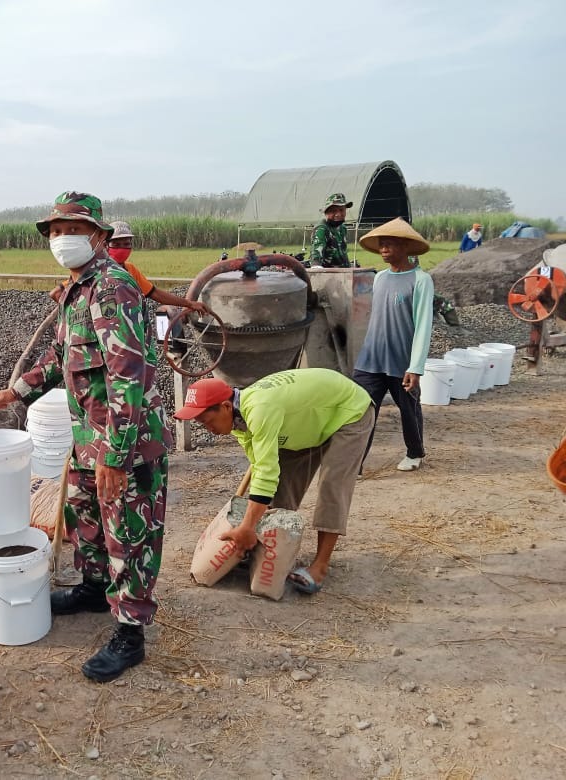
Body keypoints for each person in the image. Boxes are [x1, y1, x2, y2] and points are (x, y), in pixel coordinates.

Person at [0, 191, 171, 683]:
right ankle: (94, 589)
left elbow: (128, 375)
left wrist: (116, 455)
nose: (62, 239)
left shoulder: (112, 289)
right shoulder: (77, 290)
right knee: (85, 518)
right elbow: (60, 356)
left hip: (125, 441)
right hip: (89, 436)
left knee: (128, 532)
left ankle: (130, 631)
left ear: (98, 237)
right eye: (56, 231)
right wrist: (17, 390)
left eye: (74, 230)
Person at [173, 369, 374, 594]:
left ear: (226, 406)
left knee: (332, 487)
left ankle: (320, 567)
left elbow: (265, 473)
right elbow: (261, 468)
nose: (209, 429)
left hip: (349, 411)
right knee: (281, 485)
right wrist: (247, 525)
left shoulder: (259, 409)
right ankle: (269, 550)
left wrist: (247, 526)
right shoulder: (238, 421)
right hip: (309, 420)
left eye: (208, 421)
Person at [351, 217, 434, 473]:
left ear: (406, 246)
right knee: (361, 410)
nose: (384, 249)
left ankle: (415, 452)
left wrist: (416, 366)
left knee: (409, 409)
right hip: (371, 358)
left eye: (389, 244)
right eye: (381, 244)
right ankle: (355, 463)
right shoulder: (380, 278)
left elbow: (423, 325)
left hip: (402, 360)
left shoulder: (421, 280)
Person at [50, 220, 208, 315]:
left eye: (126, 244)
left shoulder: (130, 270)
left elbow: (154, 293)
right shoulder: (94, 272)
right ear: (105, 244)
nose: (122, 248)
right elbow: (56, 293)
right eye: (117, 244)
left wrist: (189, 303)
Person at [310, 193, 353, 268]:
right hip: (329, 272)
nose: (338, 214)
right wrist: (316, 265)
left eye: (341, 210)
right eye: (333, 211)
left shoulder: (342, 228)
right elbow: (316, 251)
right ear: (326, 213)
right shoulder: (322, 228)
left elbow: (343, 252)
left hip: (344, 271)